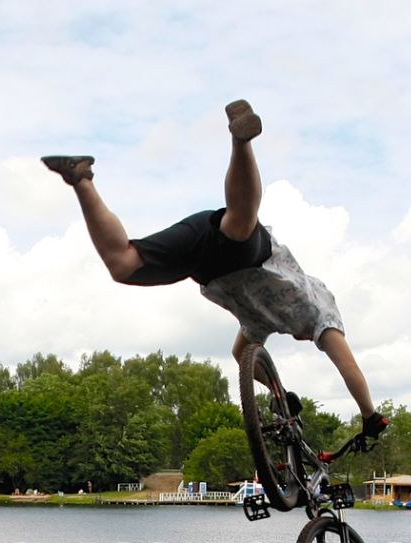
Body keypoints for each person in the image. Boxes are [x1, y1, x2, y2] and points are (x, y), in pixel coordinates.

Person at [43, 100, 387, 446]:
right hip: (250, 257)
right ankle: (241, 140)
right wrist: (370, 415)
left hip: (204, 262)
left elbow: (242, 356)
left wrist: (278, 392)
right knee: (239, 223)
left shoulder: (261, 322)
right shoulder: (319, 315)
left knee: (124, 264)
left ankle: (80, 178)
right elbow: (350, 368)